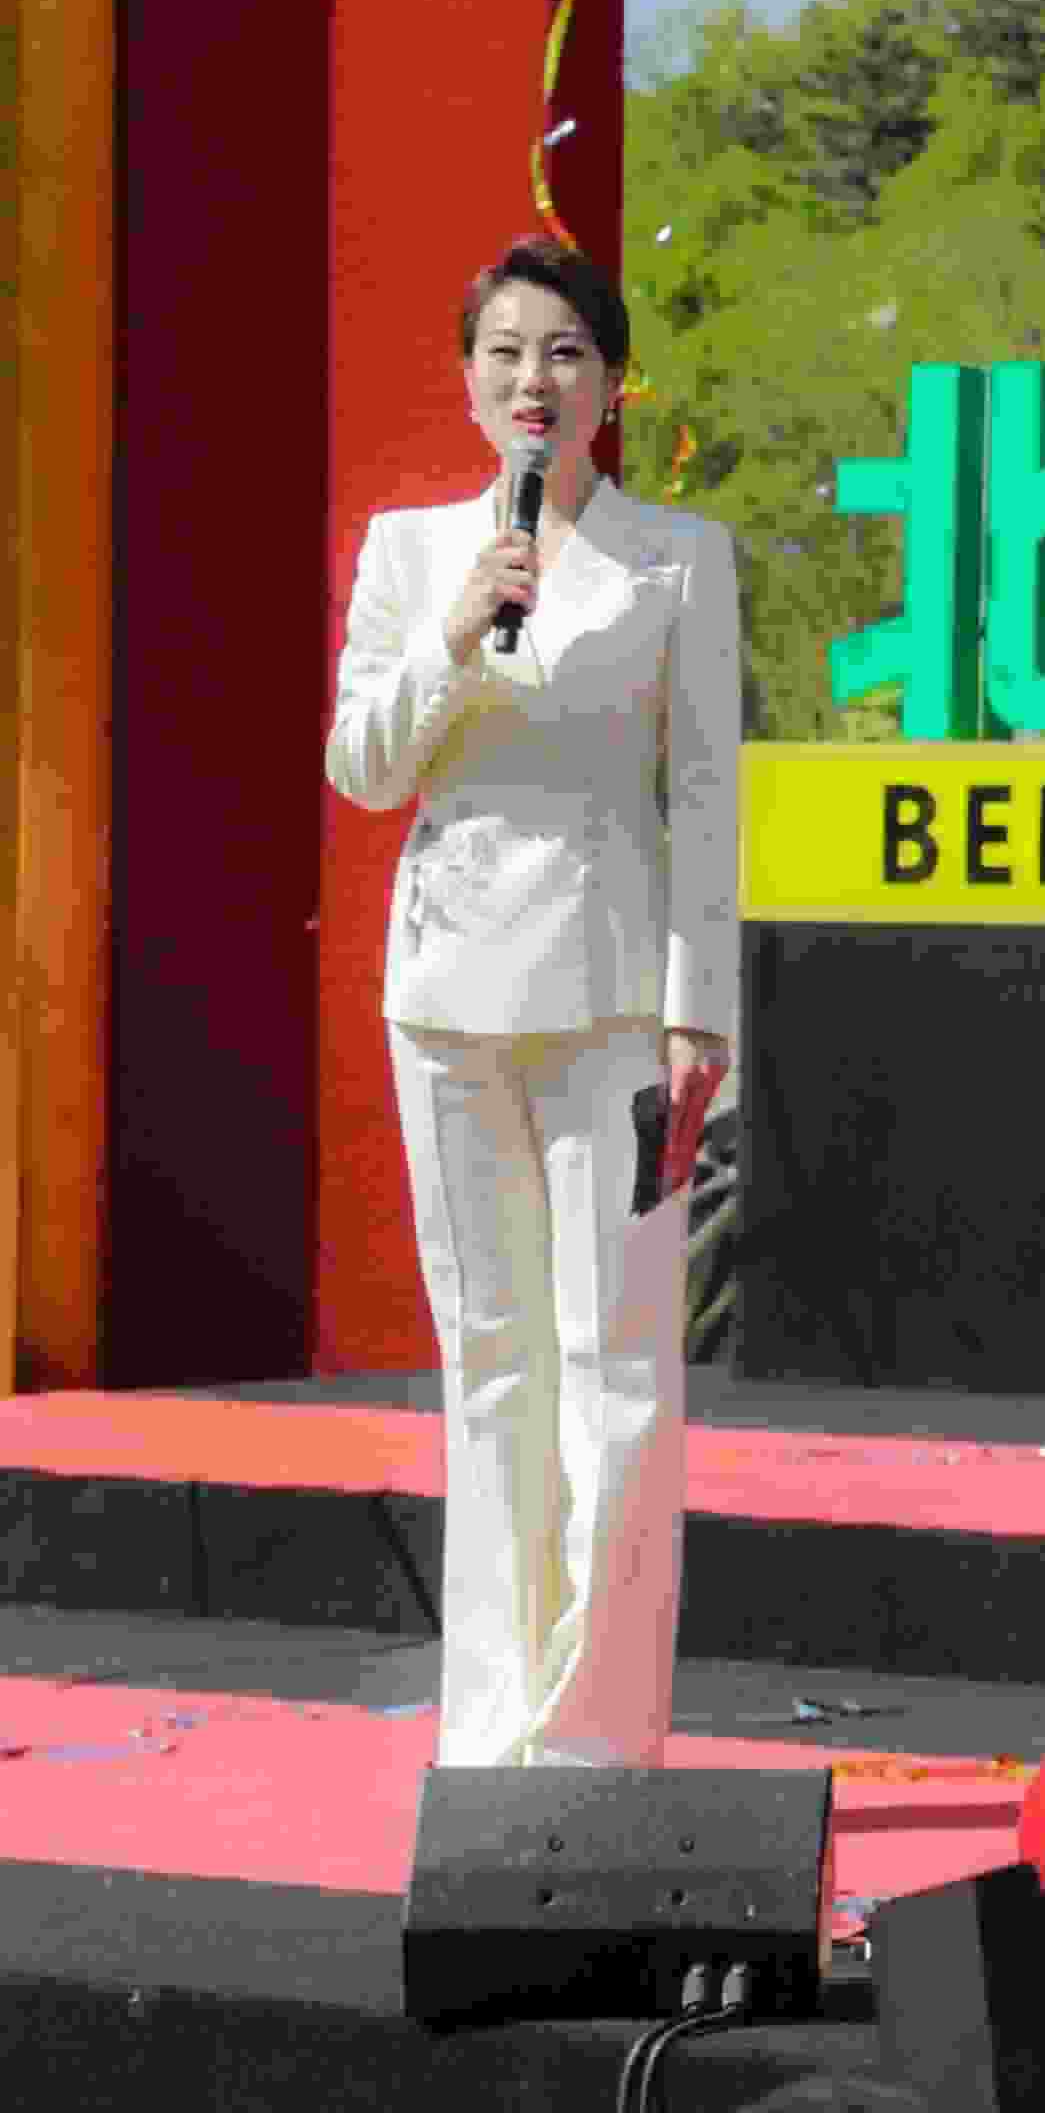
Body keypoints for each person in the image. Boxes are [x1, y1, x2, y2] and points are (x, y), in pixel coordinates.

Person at [324, 234, 741, 1770]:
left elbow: (706, 792)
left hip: (616, 998)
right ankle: (491, 1722)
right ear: (468, 379)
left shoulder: (676, 557)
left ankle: (598, 1731)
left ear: (611, 382)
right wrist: (452, 634)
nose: (532, 380)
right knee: (490, 1359)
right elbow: (364, 768)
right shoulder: (412, 551)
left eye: (564, 351)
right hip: (446, 990)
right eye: (504, 351)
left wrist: (703, 1012)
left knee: (617, 1360)